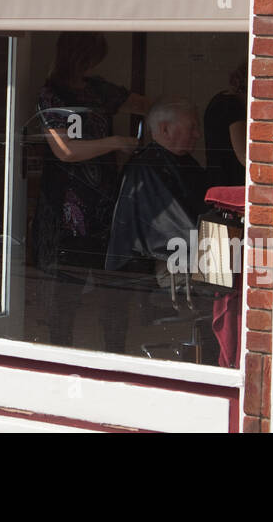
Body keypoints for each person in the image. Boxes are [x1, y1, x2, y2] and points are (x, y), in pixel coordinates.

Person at [33, 32, 149, 348]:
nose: (92, 65)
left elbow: (144, 104)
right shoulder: (51, 94)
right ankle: (61, 353)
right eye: (89, 58)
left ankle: (114, 352)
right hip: (68, 205)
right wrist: (114, 143)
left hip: (104, 199)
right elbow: (65, 150)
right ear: (76, 56)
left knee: (111, 283)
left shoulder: (98, 88)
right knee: (66, 289)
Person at [103, 98, 212, 354]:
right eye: (192, 127)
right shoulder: (147, 168)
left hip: (189, 256)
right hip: (172, 265)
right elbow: (172, 226)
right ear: (164, 130)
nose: (197, 134)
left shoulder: (183, 163)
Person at [204, 61, 248, 188]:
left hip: (217, 181)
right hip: (230, 183)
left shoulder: (218, 100)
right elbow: (244, 156)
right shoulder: (233, 106)